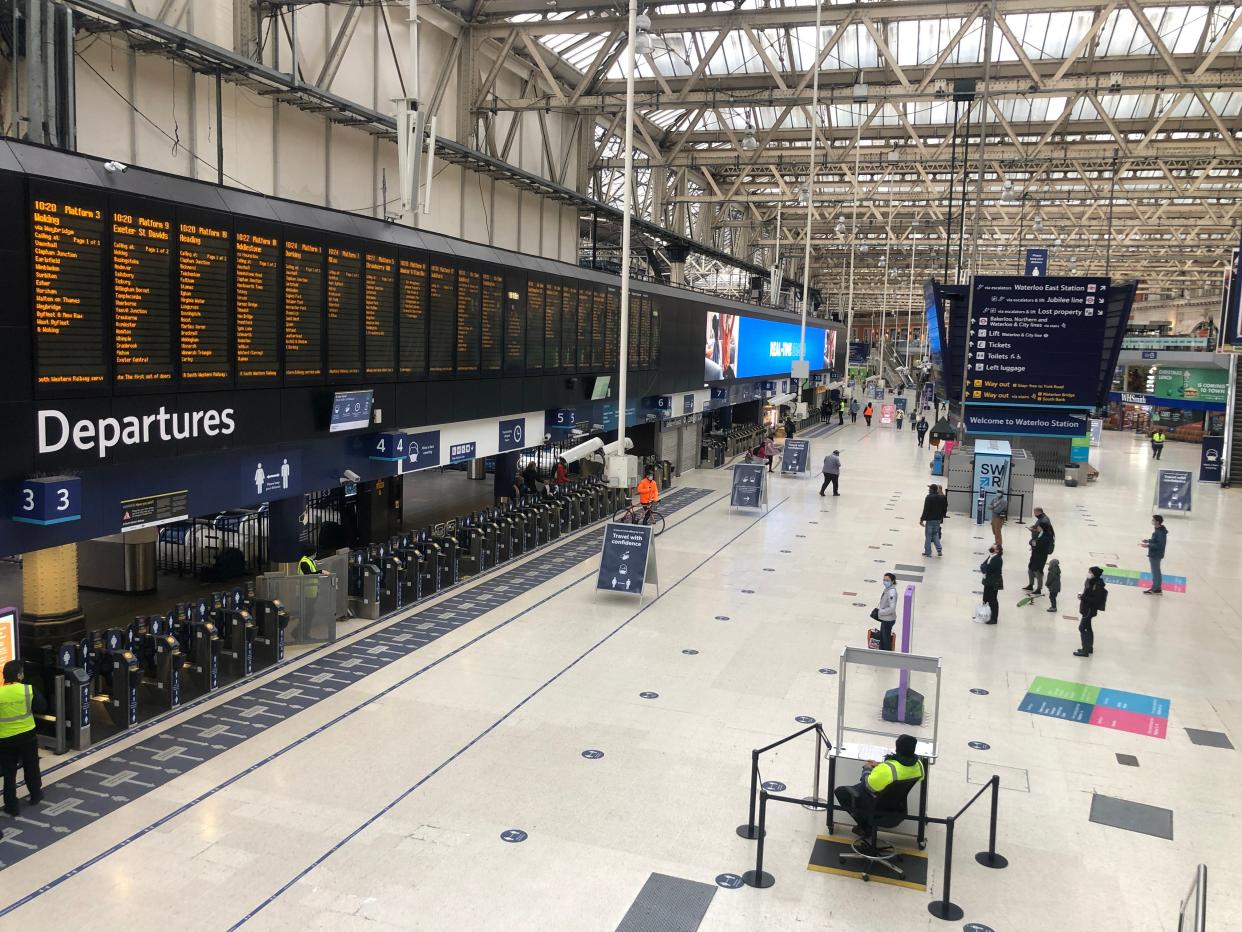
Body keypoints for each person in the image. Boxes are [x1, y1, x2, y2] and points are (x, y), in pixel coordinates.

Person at [832, 734, 924, 842]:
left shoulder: (888, 769)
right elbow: (902, 770)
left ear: (897, 748)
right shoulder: (918, 765)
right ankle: (866, 828)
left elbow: (869, 785)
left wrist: (866, 769)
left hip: (878, 811)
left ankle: (865, 827)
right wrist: (880, 765)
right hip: (898, 810)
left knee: (841, 792)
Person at [0, 659, 45, 817]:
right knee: (31, 766)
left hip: (5, 739)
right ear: (19, 675)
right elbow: (41, 707)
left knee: (8, 773)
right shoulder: (28, 690)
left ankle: (11, 805)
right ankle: (35, 795)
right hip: (27, 736)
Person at [1075, 566, 1108, 657]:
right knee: (1088, 627)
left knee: (1082, 628)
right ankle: (1089, 647)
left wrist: (1083, 597)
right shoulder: (1092, 582)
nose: (1088, 573)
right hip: (1087, 609)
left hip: (1089, 609)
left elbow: (1096, 600)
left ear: (1094, 574)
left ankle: (1085, 650)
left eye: (1090, 572)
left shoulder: (1097, 585)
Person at [1141, 514, 1167, 594]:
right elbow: (1156, 541)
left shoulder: (1160, 532)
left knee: (1155, 571)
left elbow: (1160, 544)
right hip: (1155, 553)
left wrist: (1148, 545)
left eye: (1153, 520)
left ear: (1157, 522)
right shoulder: (1158, 530)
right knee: (1157, 571)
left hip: (1156, 554)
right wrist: (1148, 540)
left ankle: (1155, 588)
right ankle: (1157, 588)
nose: (1152, 521)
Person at [920, 483, 947, 557]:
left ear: (932, 490)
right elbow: (945, 507)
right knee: (935, 534)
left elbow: (926, 509)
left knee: (928, 536)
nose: (929, 491)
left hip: (930, 519)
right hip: (938, 519)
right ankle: (939, 549)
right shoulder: (942, 498)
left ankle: (928, 552)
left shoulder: (929, 497)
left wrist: (922, 519)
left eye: (929, 489)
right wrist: (942, 516)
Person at [1024, 525, 1051, 595]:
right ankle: (1031, 585)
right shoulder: (1039, 534)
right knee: (1030, 569)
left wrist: (1034, 544)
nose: (1037, 528)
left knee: (1038, 572)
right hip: (1034, 555)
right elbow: (1032, 542)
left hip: (1041, 557)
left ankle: (1039, 588)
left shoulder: (1046, 537)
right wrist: (1033, 543)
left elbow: (1037, 545)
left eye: (1039, 527)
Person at [980, 544, 1003, 625]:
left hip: (994, 582)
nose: (991, 548)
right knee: (985, 597)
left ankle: (994, 618)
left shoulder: (997, 559)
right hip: (988, 581)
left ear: (997, 550)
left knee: (993, 600)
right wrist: (984, 567)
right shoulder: (991, 556)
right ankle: (985, 614)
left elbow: (988, 569)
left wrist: (984, 568)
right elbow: (982, 565)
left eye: (993, 547)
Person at [874, 573, 898, 650]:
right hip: (885, 619)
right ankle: (882, 654)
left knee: (886, 640)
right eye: (884, 580)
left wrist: (881, 612)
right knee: (883, 639)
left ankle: (887, 656)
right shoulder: (888, 589)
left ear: (892, 581)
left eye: (887, 580)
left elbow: (892, 608)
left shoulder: (892, 592)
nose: (885, 582)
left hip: (888, 619)